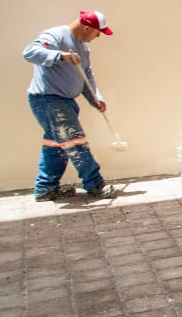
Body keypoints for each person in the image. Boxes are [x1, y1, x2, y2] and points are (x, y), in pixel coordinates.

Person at [23, 10, 117, 201]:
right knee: (75, 141)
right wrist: (60, 56)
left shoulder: (83, 47)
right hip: (49, 100)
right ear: (87, 28)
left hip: (64, 101)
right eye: (97, 33)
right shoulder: (55, 35)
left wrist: (95, 98)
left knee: (55, 145)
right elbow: (30, 52)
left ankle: (46, 188)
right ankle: (95, 184)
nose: (97, 37)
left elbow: (86, 74)